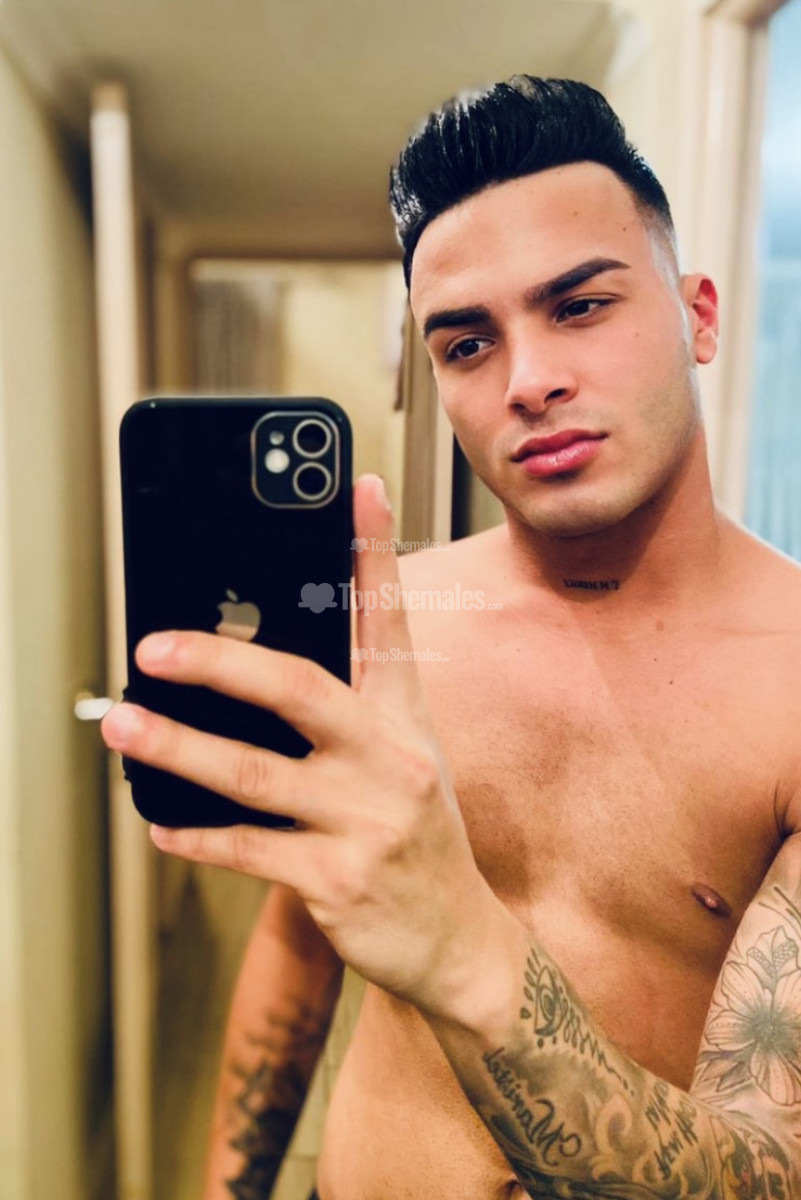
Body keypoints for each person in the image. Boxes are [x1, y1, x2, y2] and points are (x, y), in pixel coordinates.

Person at [102, 77, 801, 1199]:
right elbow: (300, 939)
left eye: (580, 306)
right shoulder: (390, 624)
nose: (529, 382)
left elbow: (770, 1171)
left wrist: (459, 946)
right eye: (468, 343)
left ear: (700, 316)